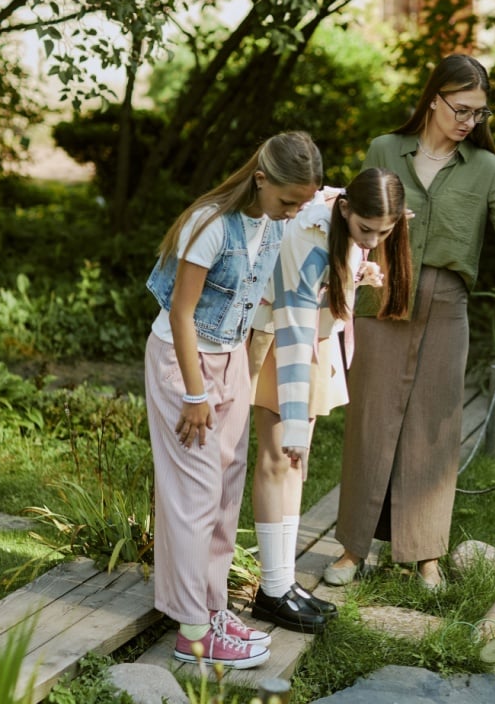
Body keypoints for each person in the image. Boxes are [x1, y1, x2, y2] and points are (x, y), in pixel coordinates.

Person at [323, 54, 495, 591]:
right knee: (371, 422)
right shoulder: (384, 149)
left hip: (447, 303)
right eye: (462, 108)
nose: (470, 121)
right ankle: (353, 549)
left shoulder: (486, 169)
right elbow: (351, 219)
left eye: (480, 113)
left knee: (435, 427)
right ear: (434, 99)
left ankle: (426, 556)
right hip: (382, 299)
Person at [144, 131, 322, 669]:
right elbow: (181, 313)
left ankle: (213, 609)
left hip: (232, 361)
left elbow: (341, 203)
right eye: (288, 201)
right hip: (186, 363)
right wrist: (197, 392)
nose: (294, 214)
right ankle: (192, 632)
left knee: (224, 494)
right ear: (262, 179)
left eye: (302, 204)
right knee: (193, 497)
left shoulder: (269, 223)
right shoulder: (209, 225)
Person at [246, 168, 413, 632]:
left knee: (295, 463)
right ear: (344, 210)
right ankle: (271, 590)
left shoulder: (346, 220)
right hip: (281, 339)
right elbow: (295, 323)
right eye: (366, 231)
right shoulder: (309, 232)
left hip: (313, 340)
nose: (375, 238)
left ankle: (280, 581)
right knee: (278, 456)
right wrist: (296, 419)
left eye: (385, 231)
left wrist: (358, 271)